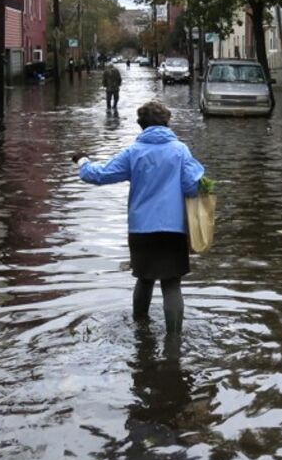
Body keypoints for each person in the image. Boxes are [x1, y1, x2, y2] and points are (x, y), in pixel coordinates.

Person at [72, 101, 204, 333]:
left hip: (141, 229)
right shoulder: (180, 150)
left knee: (144, 279)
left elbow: (99, 175)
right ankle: (174, 345)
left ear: (141, 125)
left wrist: (83, 161)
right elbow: (192, 186)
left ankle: (140, 331)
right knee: (172, 284)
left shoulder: (133, 152)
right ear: (167, 122)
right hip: (173, 229)